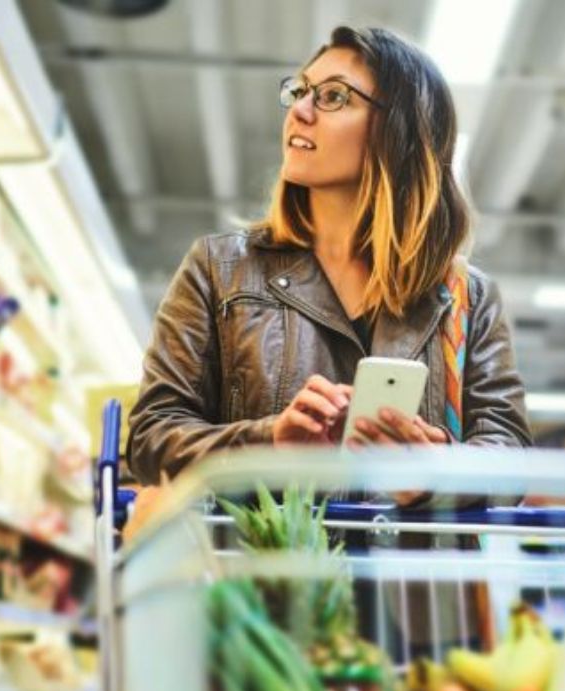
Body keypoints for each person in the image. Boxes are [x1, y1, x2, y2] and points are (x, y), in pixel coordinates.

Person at [127, 25, 531, 494]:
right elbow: (149, 440)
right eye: (300, 91)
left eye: (334, 97)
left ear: (399, 132)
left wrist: (432, 472)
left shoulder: (467, 297)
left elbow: (510, 457)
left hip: (409, 567)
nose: (299, 111)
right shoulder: (219, 269)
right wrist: (269, 442)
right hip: (264, 566)